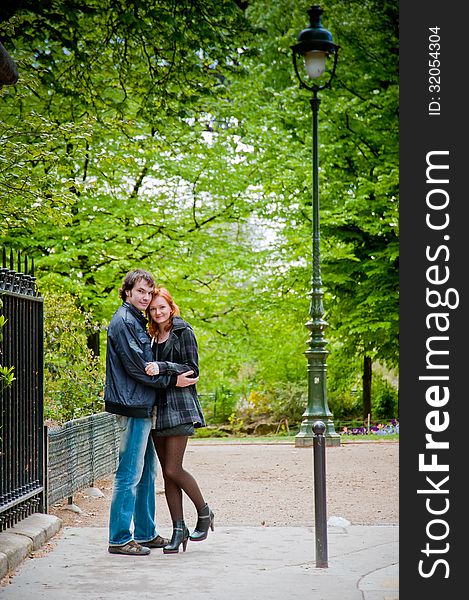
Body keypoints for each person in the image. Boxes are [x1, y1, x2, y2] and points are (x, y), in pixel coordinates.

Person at [105, 269, 198, 556]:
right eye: (140, 292)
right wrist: (173, 379)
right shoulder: (123, 322)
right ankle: (119, 538)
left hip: (145, 405)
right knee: (129, 473)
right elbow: (137, 367)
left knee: (147, 472)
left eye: (149, 292)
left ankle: (145, 533)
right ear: (127, 292)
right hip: (132, 405)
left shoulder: (137, 320)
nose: (146, 297)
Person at [144, 286, 214, 554]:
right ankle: (178, 529)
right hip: (157, 409)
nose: (157, 312)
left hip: (180, 408)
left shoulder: (183, 331)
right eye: (153, 308)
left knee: (174, 469)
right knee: (167, 475)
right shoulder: (152, 335)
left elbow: (192, 369)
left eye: (162, 307)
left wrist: (163, 367)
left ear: (171, 307)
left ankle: (204, 513)